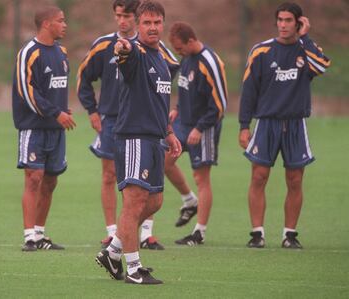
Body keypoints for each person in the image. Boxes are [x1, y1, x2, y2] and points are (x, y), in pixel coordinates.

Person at [77, 0, 179, 250]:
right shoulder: (120, 48)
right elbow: (90, 73)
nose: (122, 20)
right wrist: (92, 110)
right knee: (116, 181)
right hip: (117, 122)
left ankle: (131, 237)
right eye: (118, 16)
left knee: (152, 199)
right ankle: (115, 236)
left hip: (153, 129)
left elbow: (164, 87)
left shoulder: (160, 54)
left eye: (156, 22)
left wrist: (168, 129)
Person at [238, 2, 330, 249]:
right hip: (266, 123)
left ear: (299, 23)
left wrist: (306, 38)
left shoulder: (306, 50)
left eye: (289, 20)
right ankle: (257, 233)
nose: (283, 24)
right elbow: (248, 91)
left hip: (295, 124)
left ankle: (289, 234)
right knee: (259, 176)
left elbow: (321, 66)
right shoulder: (261, 51)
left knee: (295, 180)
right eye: (280, 19)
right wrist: (244, 125)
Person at [12, 6, 76, 251]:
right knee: (33, 178)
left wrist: (63, 109)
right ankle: (29, 236)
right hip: (34, 127)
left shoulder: (62, 52)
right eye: (61, 21)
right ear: (47, 24)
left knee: (50, 181)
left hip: (56, 129)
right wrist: (55, 112)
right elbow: (26, 91)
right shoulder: (28, 52)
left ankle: (40, 234)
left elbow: (56, 87)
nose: (65, 25)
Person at [165, 22, 228, 246]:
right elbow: (184, 88)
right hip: (183, 123)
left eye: (180, 48)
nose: (178, 52)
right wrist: (176, 109)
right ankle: (189, 200)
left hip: (205, 126)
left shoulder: (210, 62)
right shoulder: (187, 58)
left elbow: (220, 105)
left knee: (201, 178)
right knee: (164, 161)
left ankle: (199, 232)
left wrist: (200, 129)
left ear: (191, 41)